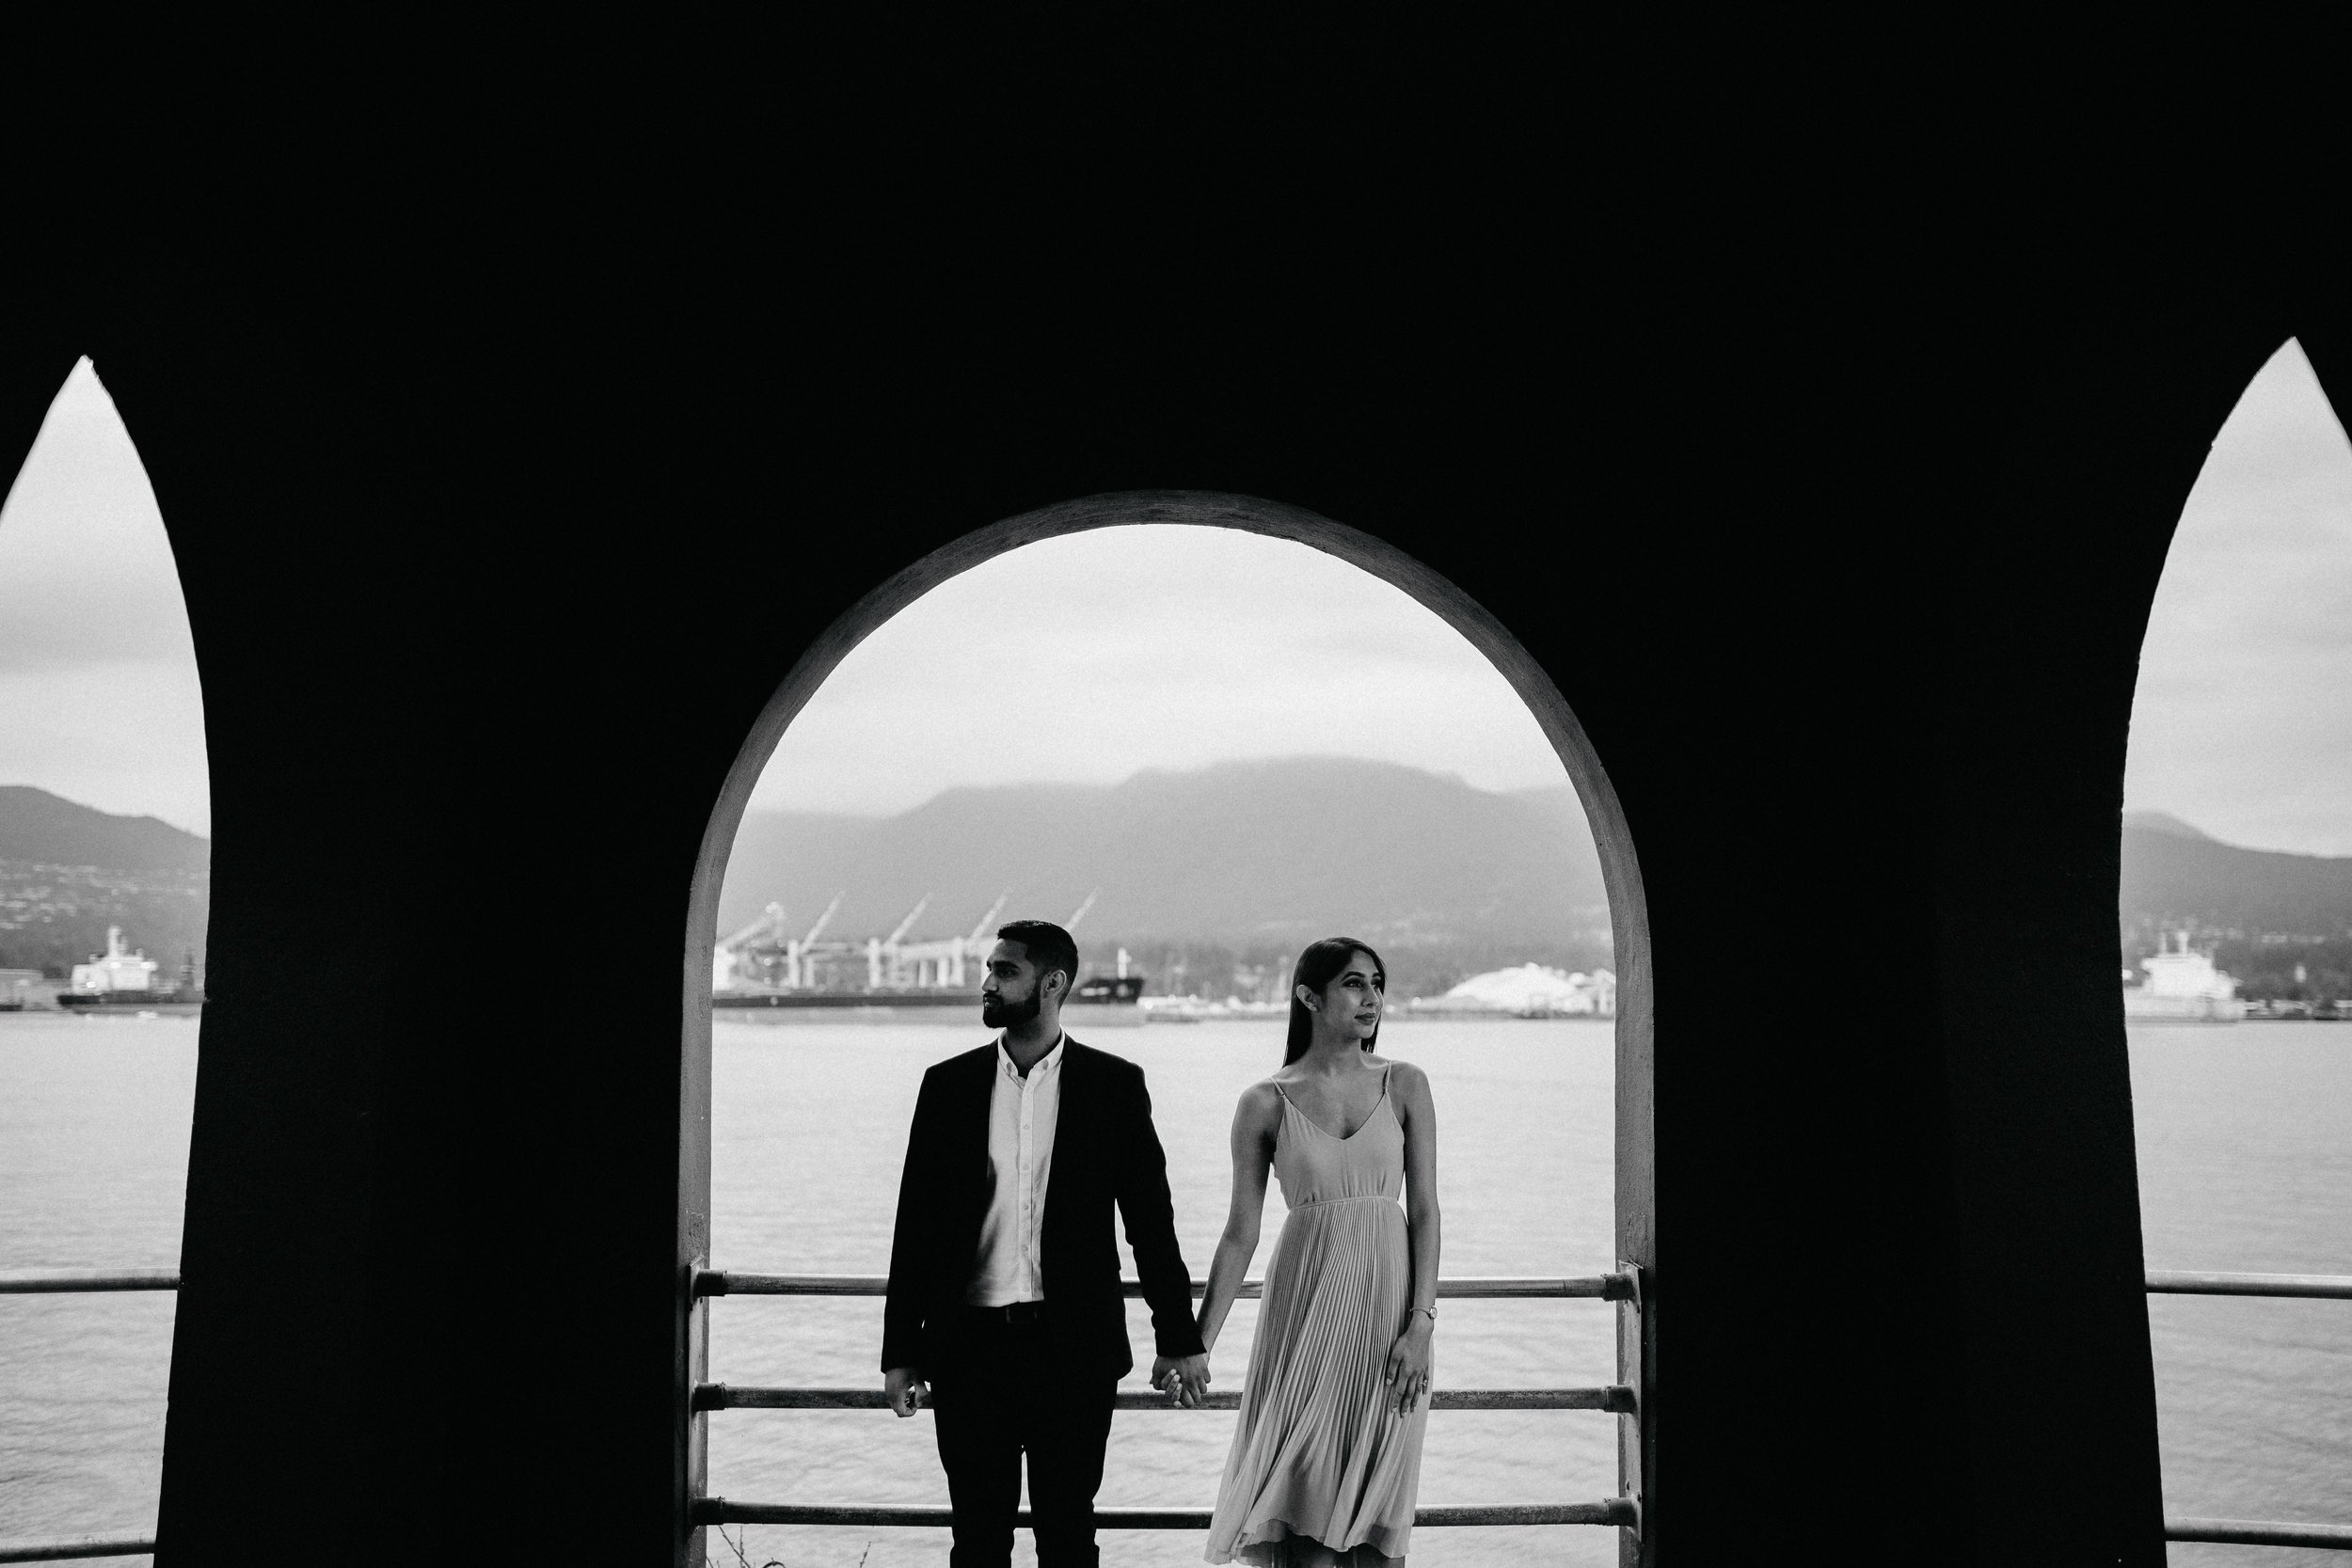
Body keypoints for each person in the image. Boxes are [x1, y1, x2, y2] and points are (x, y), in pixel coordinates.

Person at [881, 918, 1211, 1567]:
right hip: (970, 1349)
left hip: (1074, 1355)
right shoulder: (947, 1086)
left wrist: (1178, 1337)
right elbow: (914, 1225)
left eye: (1005, 971)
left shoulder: (1113, 1085)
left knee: (1067, 1536)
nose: (988, 982)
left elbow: (1150, 1222)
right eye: (990, 969)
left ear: (1053, 983)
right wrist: (901, 1350)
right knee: (977, 1538)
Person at [1199, 938, 1440, 1567]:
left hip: (1390, 1321)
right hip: (1303, 1313)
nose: (1372, 997)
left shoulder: (1405, 1084)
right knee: (1302, 1527)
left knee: (1379, 1530)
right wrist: (1196, 1345)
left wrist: (1422, 1323)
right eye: (1354, 983)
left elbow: (1426, 1212)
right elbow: (1239, 1234)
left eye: (1377, 983)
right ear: (1309, 995)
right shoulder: (1263, 1101)